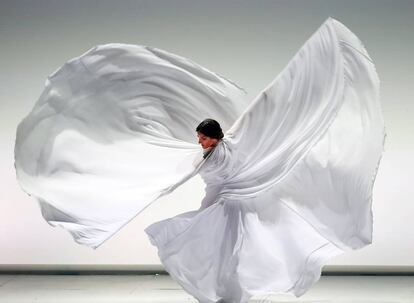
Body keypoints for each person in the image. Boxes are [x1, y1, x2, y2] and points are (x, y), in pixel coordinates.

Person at [14, 17, 386, 303]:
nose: (198, 140)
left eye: (203, 135)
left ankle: (233, 291)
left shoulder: (228, 149)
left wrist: (312, 63)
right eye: (198, 136)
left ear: (215, 135)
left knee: (228, 249)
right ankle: (226, 291)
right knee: (217, 250)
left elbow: (267, 119)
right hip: (217, 208)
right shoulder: (203, 154)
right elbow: (181, 170)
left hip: (231, 210)